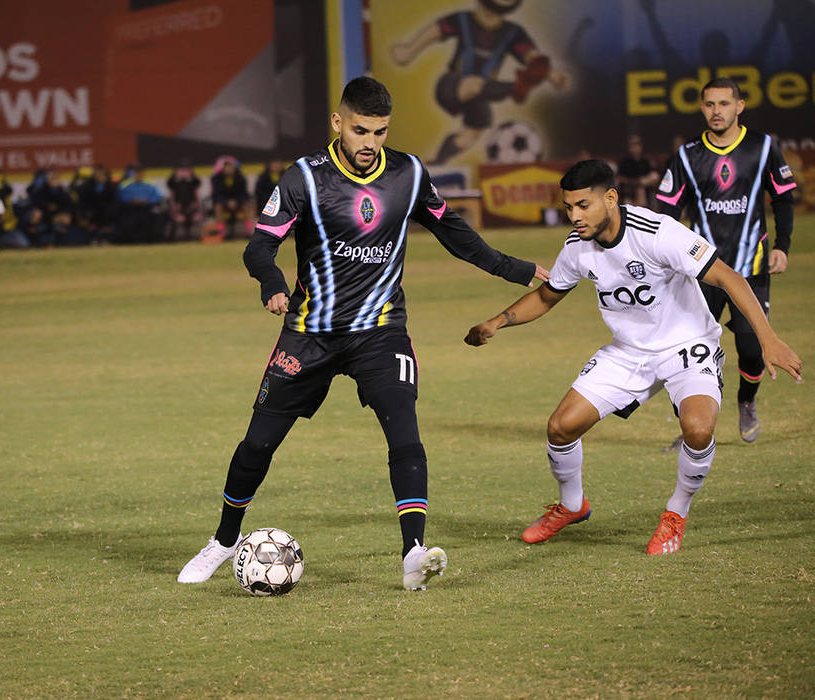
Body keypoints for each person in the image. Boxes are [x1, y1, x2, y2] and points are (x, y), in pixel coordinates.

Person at [178, 76, 549, 590]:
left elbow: (458, 236)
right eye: (360, 130)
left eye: (379, 132)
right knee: (257, 445)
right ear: (337, 123)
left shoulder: (409, 173)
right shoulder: (304, 179)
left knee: (405, 431)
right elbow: (258, 248)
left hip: (380, 330)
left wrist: (519, 269)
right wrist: (272, 283)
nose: (369, 143)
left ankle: (413, 553)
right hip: (310, 334)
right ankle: (222, 542)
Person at [465, 160, 802, 555]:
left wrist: (768, 339)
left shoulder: (657, 233)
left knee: (697, 429)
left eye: (583, 206)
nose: (574, 216)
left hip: (687, 346)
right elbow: (546, 296)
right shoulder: (577, 248)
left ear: (610, 198)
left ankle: (676, 513)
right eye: (568, 207)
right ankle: (573, 506)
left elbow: (730, 277)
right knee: (560, 428)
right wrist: (497, 322)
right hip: (628, 353)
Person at [655, 77, 797, 444]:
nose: (716, 111)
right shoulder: (687, 155)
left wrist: (782, 245)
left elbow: (782, 198)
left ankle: (746, 402)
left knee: (751, 350)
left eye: (723, 103)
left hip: (751, 269)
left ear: (740, 106)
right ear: (702, 108)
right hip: (700, 271)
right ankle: (694, 426)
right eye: (709, 104)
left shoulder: (762, 148)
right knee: (691, 353)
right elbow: (666, 212)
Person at [390, 0, 570, 164]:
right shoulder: (463, 20)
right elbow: (436, 31)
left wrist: (552, 75)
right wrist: (409, 50)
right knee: (473, 84)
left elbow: (532, 57)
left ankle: (438, 161)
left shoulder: (512, 33)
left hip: (480, 93)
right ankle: (514, 87)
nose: (490, 16)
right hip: (451, 85)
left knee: (471, 133)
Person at [209, 156, 250, 238]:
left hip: (238, 204)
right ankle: (221, 232)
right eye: (227, 167)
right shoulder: (216, 179)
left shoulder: (241, 178)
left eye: (231, 167)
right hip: (224, 205)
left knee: (248, 205)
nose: (229, 169)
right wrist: (227, 201)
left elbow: (244, 194)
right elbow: (216, 195)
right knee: (218, 206)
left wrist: (236, 201)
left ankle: (250, 231)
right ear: (223, 168)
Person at [616, 135, 660, 207]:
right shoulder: (625, 163)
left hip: (646, 191)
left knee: (643, 189)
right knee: (639, 190)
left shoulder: (646, 162)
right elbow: (620, 178)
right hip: (629, 190)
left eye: (637, 145)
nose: (635, 148)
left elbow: (655, 177)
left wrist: (643, 183)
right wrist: (637, 182)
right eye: (632, 145)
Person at [166, 162, 202, 241]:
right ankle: (179, 238)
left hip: (191, 208)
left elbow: (197, 182)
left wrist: (191, 175)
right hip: (178, 209)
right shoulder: (174, 183)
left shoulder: (193, 182)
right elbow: (170, 183)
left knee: (193, 217)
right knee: (180, 219)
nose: (184, 172)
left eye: (186, 170)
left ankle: (192, 237)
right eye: (181, 170)